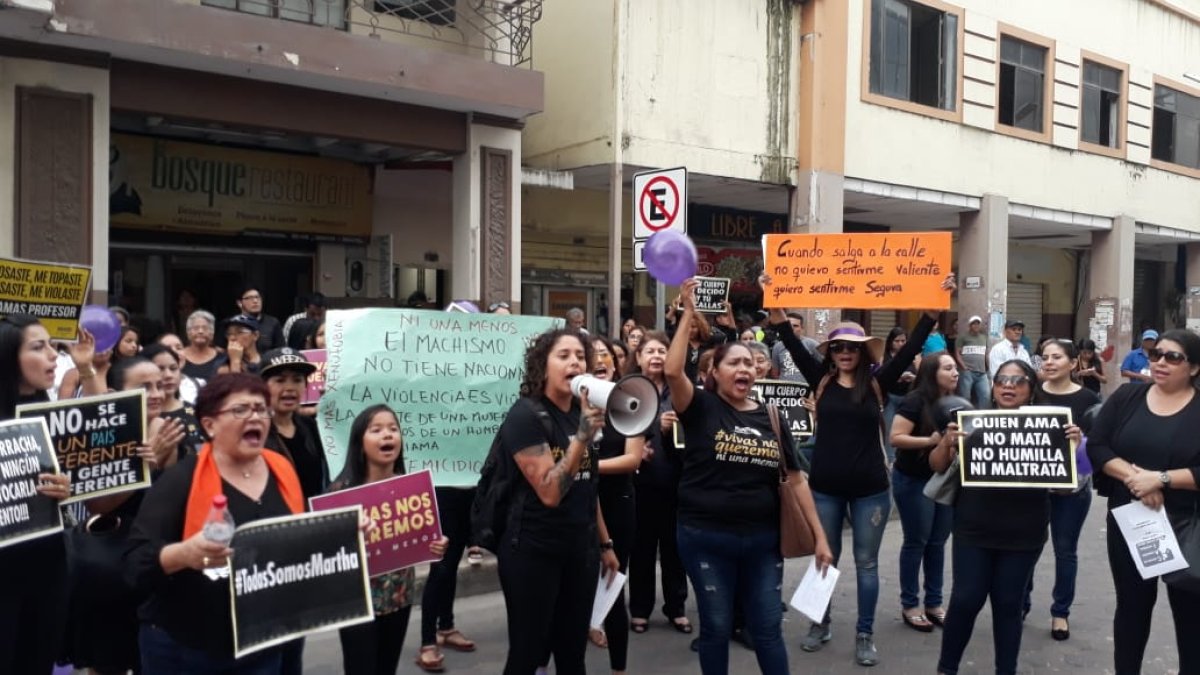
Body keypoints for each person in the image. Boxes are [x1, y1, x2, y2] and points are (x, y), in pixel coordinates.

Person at [771, 273, 954, 667]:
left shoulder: (878, 382)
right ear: (830, 352)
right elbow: (785, 334)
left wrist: (932, 311)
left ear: (863, 352)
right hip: (825, 489)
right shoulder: (819, 379)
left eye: (852, 347)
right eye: (837, 347)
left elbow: (911, 351)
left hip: (871, 488)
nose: (844, 352)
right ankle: (820, 624)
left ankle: (865, 633)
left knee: (867, 564)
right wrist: (774, 296)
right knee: (826, 558)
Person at [667, 278, 831, 675]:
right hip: (705, 538)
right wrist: (689, 313)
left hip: (762, 541)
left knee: (767, 630)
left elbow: (794, 480)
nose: (744, 368)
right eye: (733, 363)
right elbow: (673, 371)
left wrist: (821, 536)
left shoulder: (771, 417)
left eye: (749, 363)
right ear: (715, 373)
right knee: (717, 627)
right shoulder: (700, 407)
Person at [125, 373, 305, 672]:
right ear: (209, 425)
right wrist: (184, 554)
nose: (255, 417)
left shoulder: (282, 468)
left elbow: (299, 538)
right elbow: (134, 564)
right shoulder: (180, 480)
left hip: (266, 637)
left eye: (261, 409)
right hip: (190, 646)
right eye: (240, 410)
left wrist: (344, 535)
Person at [931, 359, 1080, 675]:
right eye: (1002, 380)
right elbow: (937, 465)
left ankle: (1006, 670)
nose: (1008, 386)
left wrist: (1071, 451)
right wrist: (946, 441)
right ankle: (946, 669)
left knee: (1008, 605)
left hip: (1024, 531)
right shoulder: (971, 421)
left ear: (1030, 389)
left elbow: (1067, 490)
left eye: (1018, 380)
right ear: (993, 386)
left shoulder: (1053, 427)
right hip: (974, 526)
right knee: (965, 599)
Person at [496, 327, 619, 674]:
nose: (574, 362)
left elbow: (587, 483)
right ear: (542, 365)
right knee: (528, 652)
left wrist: (604, 543)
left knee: (571, 653)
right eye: (563, 355)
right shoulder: (526, 416)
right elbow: (550, 491)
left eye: (580, 356)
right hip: (533, 550)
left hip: (579, 549)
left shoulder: (582, 412)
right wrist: (581, 437)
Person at [1087, 328, 1200, 674]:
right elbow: (1098, 446)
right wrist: (1137, 480)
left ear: (1194, 367)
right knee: (1133, 606)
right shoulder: (1127, 397)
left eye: (1173, 357)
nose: (1161, 362)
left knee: (1191, 613)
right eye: (1156, 355)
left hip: (1187, 524)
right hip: (1133, 521)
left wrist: (1162, 479)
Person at [66, 356, 184, 675]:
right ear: (118, 393)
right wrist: (144, 466)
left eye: (159, 385)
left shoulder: (170, 428)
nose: (157, 393)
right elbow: (98, 506)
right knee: (110, 663)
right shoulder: (106, 436)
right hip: (112, 571)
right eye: (144, 387)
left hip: (157, 566)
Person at [331, 405, 449, 675]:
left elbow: (423, 539)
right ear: (359, 443)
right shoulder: (341, 494)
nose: (387, 435)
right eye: (377, 430)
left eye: (393, 429)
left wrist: (435, 545)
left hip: (399, 597)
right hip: (356, 604)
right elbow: (327, 552)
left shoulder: (410, 489)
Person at [0, 315, 85, 674]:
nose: (54, 355)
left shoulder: (53, 418)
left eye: (52, 345)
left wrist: (67, 490)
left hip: (47, 566)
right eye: (39, 347)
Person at [1023, 338, 1100, 640]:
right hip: (1032, 490)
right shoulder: (1031, 395)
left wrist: (1080, 442)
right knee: (1027, 549)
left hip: (1072, 491)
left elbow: (1097, 454)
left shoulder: (1089, 399)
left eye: (1057, 357)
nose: (1050, 362)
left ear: (1073, 363)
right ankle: (1020, 603)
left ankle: (1060, 612)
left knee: (1065, 551)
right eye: (1045, 357)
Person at [586, 336, 648, 675]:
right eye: (591, 355)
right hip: (579, 505)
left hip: (618, 502)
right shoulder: (571, 406)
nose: (599, 359)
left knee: (612, 585)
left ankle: (618, 668)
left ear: (615, 363)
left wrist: (583, 468)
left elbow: (631, 459)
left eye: (605, 355)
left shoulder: (630, 402)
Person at [888, 352, 957, 634]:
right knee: (917, 540)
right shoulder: (915, 400)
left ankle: (934, 603)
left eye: (956, 368)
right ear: (932, 373)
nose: (956, 373)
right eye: (949, 368)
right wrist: (930, 441)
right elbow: (896, 438)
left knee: (938, 542)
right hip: (914, 481)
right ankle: (910, 604)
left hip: (946, 480)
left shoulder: (957, 401)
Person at [628, 331, 691, 636]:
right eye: (649, 351)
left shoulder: (681, 391)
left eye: (662, 351)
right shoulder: (627, 391)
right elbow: (619, 428)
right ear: (637, 357)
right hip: (638, 486)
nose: (656, 356)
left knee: (674, 551)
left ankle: (676, 608)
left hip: (676, 484)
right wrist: (656, 425)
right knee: (640, 550)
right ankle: (639, 610)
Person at [260, 348, 328, 500]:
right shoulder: (255, 434)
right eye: (280, 380)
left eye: (297, 380)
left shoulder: (311, 427)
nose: (290, 388)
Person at [144, 344, 206, 457]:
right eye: (160, 369)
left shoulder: (195, 411)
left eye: (173, 369)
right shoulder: (143, 417)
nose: (168, 375)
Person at [881, 327, 917, 464]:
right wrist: (897, 378)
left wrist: (912, 378)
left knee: (906, 430)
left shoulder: (912, 358)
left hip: (906, 396)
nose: (901, 344)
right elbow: (880, 378)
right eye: (897, 341)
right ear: (891, 342)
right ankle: (890, 460)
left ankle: (902, 459)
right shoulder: (884, 358)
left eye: (903, 341)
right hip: (890, 397)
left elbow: (920, 375)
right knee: (889, 430)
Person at [231, 286, 284, 353]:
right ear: (239, 303)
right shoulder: (232, 324)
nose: (255, 301)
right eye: (250, 298)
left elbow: (281, 350)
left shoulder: (273, 323)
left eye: (257, 297)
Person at [770, 312, 819, 385]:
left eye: (795, 326)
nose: (791, 328)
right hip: (784, 390)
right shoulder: (777, 347)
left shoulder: (812, 345)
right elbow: (775, 373)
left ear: (802, 328)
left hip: (806, 390)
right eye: (789, 325)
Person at [181, 310, 227, 385]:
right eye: (196, 328)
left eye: (205, 328)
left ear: (212, 333)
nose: (200, 331)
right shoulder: (179, 357)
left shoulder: (222, 359)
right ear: (188, 333)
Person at [956, 316, 989, 407]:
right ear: (970, 325)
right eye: (974, 324)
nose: (976, 325)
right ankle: (965, 418)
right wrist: (964, 367)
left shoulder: (984, 338)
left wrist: (988, 367)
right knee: (965, 397)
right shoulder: (963, 337)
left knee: (986, 396)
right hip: (968, 372)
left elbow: (986, 354)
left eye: (978, 323)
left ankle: (983, 417)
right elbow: (957, 353)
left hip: (982, 372)